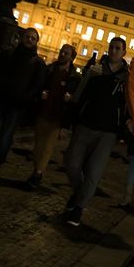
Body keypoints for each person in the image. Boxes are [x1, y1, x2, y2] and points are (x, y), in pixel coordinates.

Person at [63, 37, 129, 226]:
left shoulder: (127, 78)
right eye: (112, 48)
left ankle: (78, 208)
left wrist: (124, 127)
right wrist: (70, 121)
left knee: (93, 172)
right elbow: (79, 97)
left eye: (118, 48)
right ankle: (78, 194)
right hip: (85, 124)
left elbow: (129, 106)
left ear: (124, 53)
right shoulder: (95, 70)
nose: (114, 51)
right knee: (71, 164)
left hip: (108, 132)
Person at [0, 28, 46, 178]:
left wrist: (25, 97)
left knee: (5, 135)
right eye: (28, 36)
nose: (29, 40)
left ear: (36, 42)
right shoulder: (8, 54)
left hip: (16, 105)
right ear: (22, 38)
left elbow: (37, 85)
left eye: (33, 38)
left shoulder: (38, 62)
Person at [24, 44, 81, 189]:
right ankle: (37, 171)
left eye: (66, 53)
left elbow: (75, 103)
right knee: (38, 146)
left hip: (57, 118)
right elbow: (39, 85)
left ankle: (37, 173)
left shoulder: (74, 77)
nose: (62, 54)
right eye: (62, 51)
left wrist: (70, 99)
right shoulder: (49, 69)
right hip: (43, 112)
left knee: (48, 147)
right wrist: (41, 93)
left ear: (71, 57)